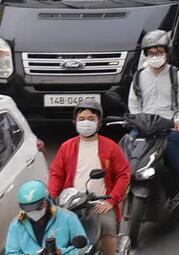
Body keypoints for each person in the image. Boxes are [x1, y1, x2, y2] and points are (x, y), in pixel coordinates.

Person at [47, 101, 128, 255]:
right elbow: (56, 174)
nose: (86, 122)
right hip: (70, 202)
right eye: (82, 118)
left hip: (98, 203)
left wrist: (111, 201)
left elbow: (123, 174)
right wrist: (52, 197)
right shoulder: (66, 147)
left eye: (91, 119)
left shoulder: (110, 147)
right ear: (75, 122)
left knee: (107, 230)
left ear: (99, 123)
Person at [127, 31, 179, 190]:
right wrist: (137, 120)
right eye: (151, 53)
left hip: (169, 128)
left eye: (159, 52)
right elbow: (134, 104)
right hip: (144, 128)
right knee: (125, 162)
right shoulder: (138, 77)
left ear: (167, 53)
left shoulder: (178, 76)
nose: (155, 56)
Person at [4, 182, 89, 255]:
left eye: (37, 208)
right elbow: (11, 252)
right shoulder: (16, 225)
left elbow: (84, 247)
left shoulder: (67, 217)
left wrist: (61, 252)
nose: (33, 212)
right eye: (28, 210)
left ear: (46, 201)